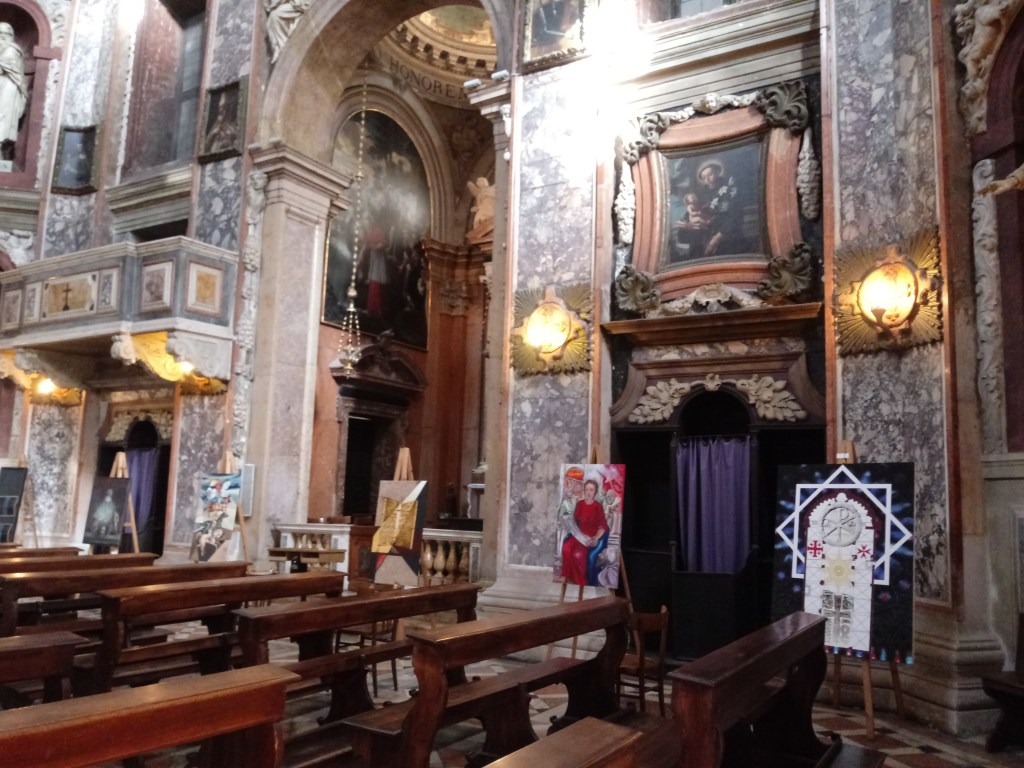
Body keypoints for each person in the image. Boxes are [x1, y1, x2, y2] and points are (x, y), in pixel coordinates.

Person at [559, 477, 607, 586]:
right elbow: (575, 520)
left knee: (577, 554)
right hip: (577, 534)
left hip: (588, 537)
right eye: (587, 489)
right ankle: (566, 575)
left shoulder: (597, 506)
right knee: (566, 547)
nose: (589, 492)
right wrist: (568, 521)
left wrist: (596, 538)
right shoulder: (580, 504)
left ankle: (579, 581)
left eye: (591, 490)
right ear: (584, 491)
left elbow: (602, 525)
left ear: (595, 492)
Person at [0, 22, 26, 157]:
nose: (2, 37)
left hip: (7, 87)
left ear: (10, 36)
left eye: (4, 34)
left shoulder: (11, 50)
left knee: (2, 117)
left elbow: (5, 65)